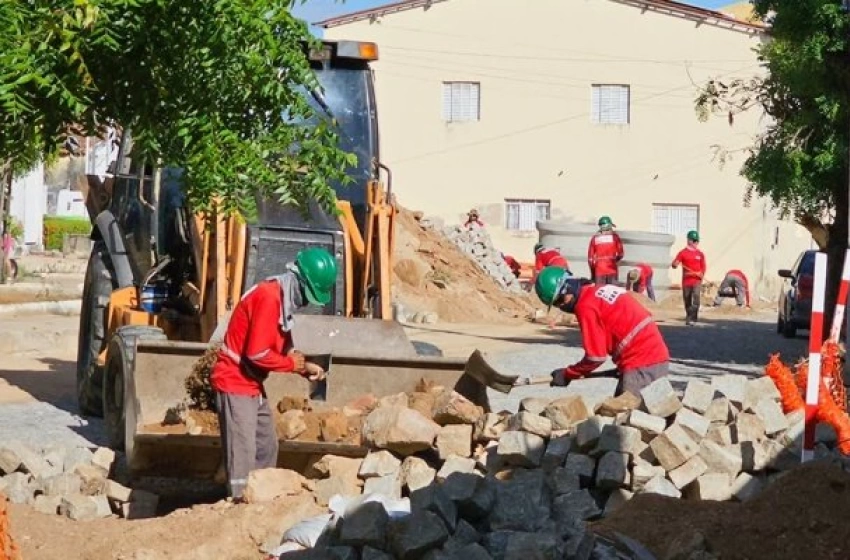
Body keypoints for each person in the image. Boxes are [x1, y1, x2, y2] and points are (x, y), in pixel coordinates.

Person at [210, 247, 337, 502]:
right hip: (235, 381)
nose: (306, 302)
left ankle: (262, 501)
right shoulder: (269, 297)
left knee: (267, 445)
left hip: (252, 383)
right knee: (243, 454)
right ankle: (239, 505)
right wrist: (292, 365)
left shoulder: (282, 298)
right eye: (307, 294)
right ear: (299, 281)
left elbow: (283, 341)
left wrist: (303, 365)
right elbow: (257, 354)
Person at [534, 266, 670, 396]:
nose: (562, 306)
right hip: (655, 356)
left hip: (642, 363)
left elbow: (595, 357)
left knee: (628, 414)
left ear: (568, 287)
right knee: (641, 412)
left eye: (560, 301)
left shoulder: (586, 306)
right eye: (557, 305)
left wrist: (568, 374)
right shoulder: (599, 290)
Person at [671, 230, 706, 326]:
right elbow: (675, 264)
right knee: (687, 299)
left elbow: (703, 266)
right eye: (694, 241)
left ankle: (692, 318)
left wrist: (701, 274)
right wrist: (674, 264)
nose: (696, 243)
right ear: (689, 241)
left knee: (696, 298)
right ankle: (689, 316)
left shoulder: (700, 254)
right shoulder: (682, 253)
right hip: (686, 281)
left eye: (697, 241)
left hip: (696, 281)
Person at [587, 215, 624, 286]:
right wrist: (614, 261)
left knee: (599, 292)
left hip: (599, 270)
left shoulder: (595, 238)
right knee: (612, 293)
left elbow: (590, 259)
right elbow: (621, 254)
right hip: (612, 269)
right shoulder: (615, 237)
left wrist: (593, 274)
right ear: (609, 225)